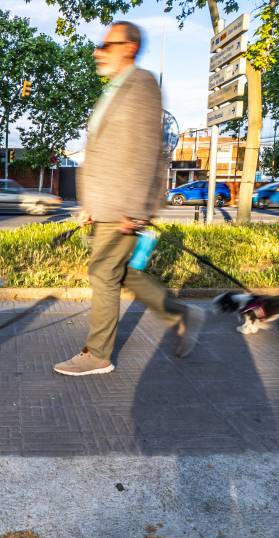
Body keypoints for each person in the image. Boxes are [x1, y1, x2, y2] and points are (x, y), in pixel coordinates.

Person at [54, 20, 204, 377]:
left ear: (129, 47)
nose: (97, 52)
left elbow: (144, 150)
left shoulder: (141, 84)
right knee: (120, 273)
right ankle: (180, 313)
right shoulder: (113, 89)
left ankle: (97, 354)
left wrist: (136, 209)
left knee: (103, 272)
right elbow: (102, 150)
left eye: (106, 46)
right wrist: (89, 203)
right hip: (106, 204)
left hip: (123, 205)